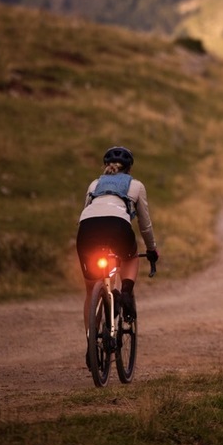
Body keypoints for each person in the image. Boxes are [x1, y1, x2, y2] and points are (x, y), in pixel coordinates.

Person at [76, 146, 159, 344]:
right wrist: (151, 249)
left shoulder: (94, 184)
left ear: (106, 166)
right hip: (117, 226)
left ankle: (91, 343)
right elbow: (145, 225)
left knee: (91, 291)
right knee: (130, 257)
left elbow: (87, 210)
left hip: (87, 229)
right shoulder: (136, 185)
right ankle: (126, 293)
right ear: (129, 168)